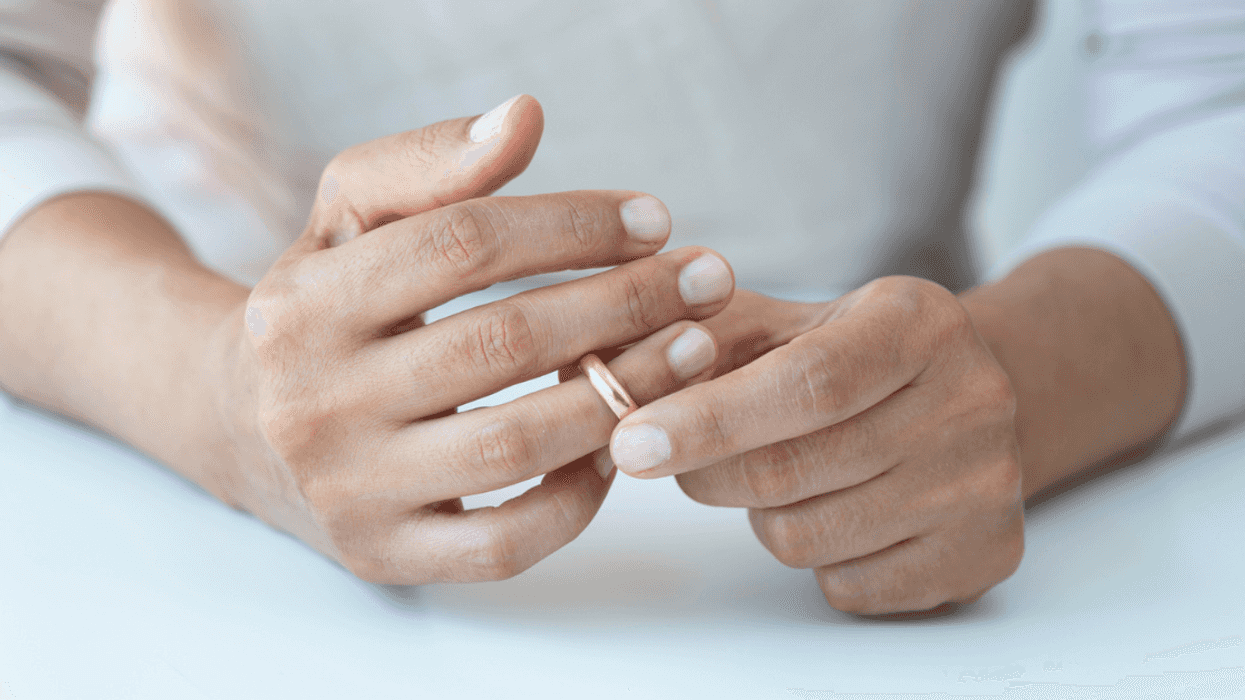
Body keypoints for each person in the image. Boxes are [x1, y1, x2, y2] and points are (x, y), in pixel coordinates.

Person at [0, 0, 1241, 615]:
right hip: (219, 526)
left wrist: (1014, 377)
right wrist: (214, 388)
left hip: (924, 526)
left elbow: (1220, 93)